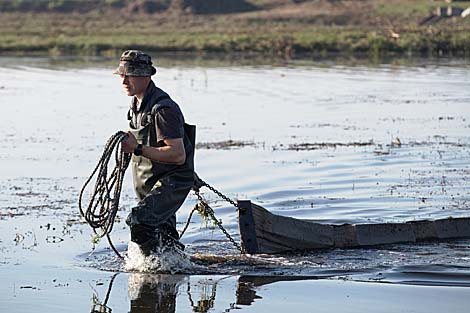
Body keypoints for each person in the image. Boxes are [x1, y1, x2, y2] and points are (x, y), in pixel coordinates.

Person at [114, 50, 195, 255]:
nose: (124, 80)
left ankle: (153, 268)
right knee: (164, 237)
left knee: (139, 221)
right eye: (122, 74)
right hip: (151, 183)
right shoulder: (136, 106)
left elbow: (177, 155)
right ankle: (172, 270)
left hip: (170, 181)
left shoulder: (162, 109)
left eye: (129, 74)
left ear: (146, 75)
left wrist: (137, 148)